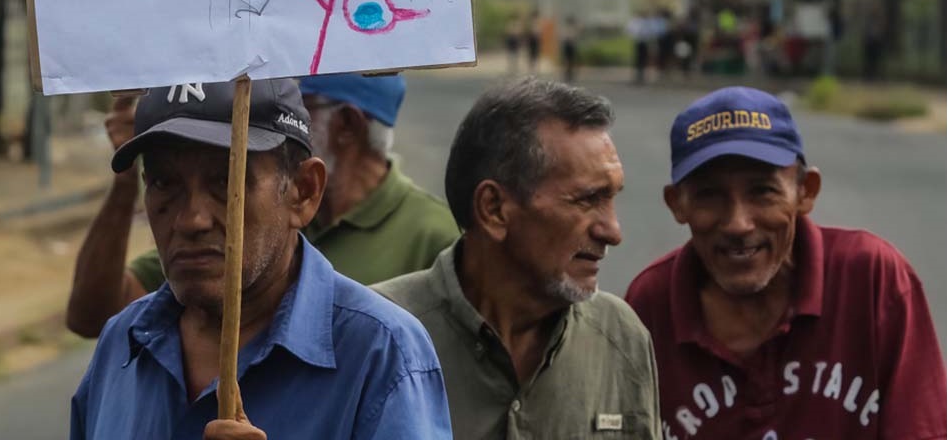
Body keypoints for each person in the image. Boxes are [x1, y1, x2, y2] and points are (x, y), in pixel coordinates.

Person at [70, 79, 452, 440]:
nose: (191, 220)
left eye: (226, 182)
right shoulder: (122, 344)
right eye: (164, 184)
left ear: (303, 192)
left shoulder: (381, 354)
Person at [625, 87, 947, 440]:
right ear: (677, 204)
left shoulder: (872, 279)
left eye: (762, 191)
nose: (738, 223)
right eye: (709, 195)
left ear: (805, 192)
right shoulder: (650, 307)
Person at [375, 78, 662, 440]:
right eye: (587, 200)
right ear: (494, 209)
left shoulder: (621, 336)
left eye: (612, 198)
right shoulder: (376, 335)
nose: (613, 231)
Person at [66, 74, 458, 338]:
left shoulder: (435, 240)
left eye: (297, 104)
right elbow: (95, 316)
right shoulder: (231, 219)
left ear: (347, 126)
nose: (194, 219)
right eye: (165, 182)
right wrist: (127, 179)